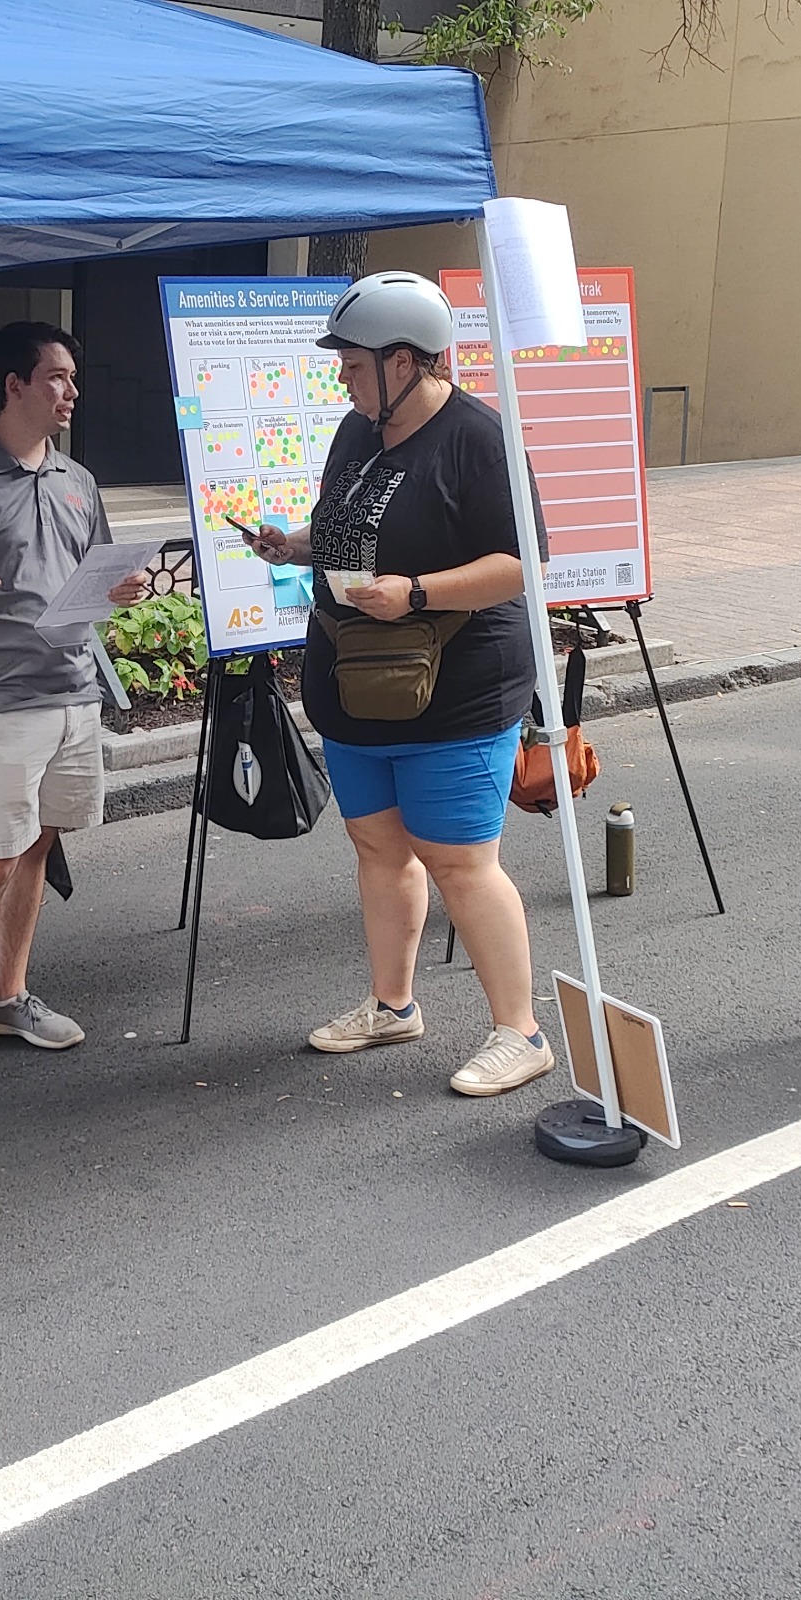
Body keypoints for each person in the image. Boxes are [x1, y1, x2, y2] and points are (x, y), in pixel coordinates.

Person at [248, 271, 556, 1097]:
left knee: (459, 861)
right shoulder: (358, 431)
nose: (341, 377)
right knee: (379, 848)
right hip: (356, 677)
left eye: (352, 363)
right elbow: (351, 525)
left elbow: (520, 563)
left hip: (456, 684)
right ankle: (393, 1006)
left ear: (407, 362)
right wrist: (297, 545)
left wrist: (416, 592)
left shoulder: (478, 438)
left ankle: (520, 1032)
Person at [0, 321, 149, 1086]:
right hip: (1, 704)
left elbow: (93, 580)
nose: (72, 391)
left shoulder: (79, 481)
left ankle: (8, 997)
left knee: (40, 849)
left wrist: (121, 593)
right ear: (13, 385)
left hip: (76, 693)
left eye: (72, 378)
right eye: (57, 378)